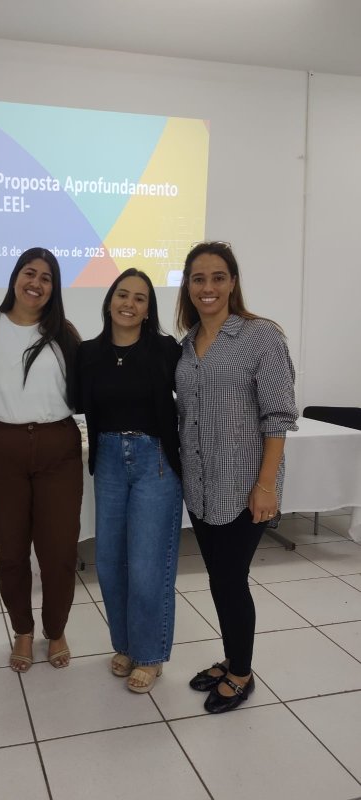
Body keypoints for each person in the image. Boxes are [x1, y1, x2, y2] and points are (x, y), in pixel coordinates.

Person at [175, 241, 298, 713]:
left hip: (246, 489)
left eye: (218, 277)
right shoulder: (186, 346)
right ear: (188, 286)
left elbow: (278, 417)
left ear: (233, 282)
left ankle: (241, 674)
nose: (208, 287)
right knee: (220, 579)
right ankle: (231, 659)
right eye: (199, 279)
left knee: (231, 581)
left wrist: (266, 487)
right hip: (202, 488)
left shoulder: (260, 336)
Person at [0, 247, 82, 672]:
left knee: (59, 551)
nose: (36, 282)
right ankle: (23, 630)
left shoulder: (64, 333)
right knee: (11, 551)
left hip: (58, 450)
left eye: (46, 277)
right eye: (29, 273)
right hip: (0, 451)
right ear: (15, 277)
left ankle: (56, 630)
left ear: (54, 288)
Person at [76, 268, 183, 693]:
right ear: (108, 301)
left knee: (146, 565)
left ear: (148, 309)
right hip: (108, 460)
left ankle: (151, 654)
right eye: (123, 294)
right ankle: (125, 644)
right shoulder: (88, 352)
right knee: (109, 562)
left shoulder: (165, 349)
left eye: (140, 298)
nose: (129, 303)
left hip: (154, 461)